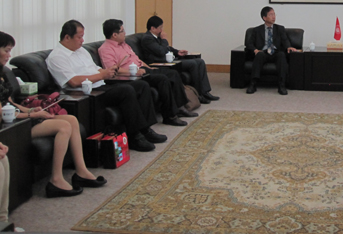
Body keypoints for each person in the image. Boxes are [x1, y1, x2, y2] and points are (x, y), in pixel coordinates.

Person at [0, 31, 106, 199]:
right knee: (63, 126)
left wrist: (31, 111)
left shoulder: (3, 73)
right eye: (6, 50)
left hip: (20, 118)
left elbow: (11, 103)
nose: (9, 55)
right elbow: (2, 112)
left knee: (72, 120)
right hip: (12, 126)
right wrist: (31, 116)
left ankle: (81, 171)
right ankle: (56, 180)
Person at [46, 20, 166, 153]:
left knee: (141, 85)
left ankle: (146, 130)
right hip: (88, 93)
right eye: (79, 37)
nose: (82, 40)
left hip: (102, 84)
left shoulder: (81, 51)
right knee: (126, 90)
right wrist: (102, 75)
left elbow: (95, 68)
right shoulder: (57, 57)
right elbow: (73, 81)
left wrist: (107, 72)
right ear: (67, 37)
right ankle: (134, 137)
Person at [98, 19, 196, 127]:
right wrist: (135, 72)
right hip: (132, 75)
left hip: (143, 69)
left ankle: (180, 107)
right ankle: (170, 116)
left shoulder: (124, 44)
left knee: (172, 73)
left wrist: (149, 67)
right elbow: (112, 70)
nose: (125, 33)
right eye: (122, 31)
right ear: (114, 35)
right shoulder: (105, 49)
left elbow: (136, 59)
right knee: (162, 79)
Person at [142, 16, 218, 105]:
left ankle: (205, 92)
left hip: (169, 60)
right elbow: (161, 51)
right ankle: (198, 94)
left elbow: (167, 48)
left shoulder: (156, 36)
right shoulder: (147, 38)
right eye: (160, 28)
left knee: (200, 61)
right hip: (161, 63)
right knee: (192, 63)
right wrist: (164, 39)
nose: (162, 30)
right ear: (152, 28)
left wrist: (177, 52)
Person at [245, 6, 297, 95]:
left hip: (276, 52)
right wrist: (255, 50)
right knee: (259, 55)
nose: (274, 17)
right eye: (271, 15)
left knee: (281, 55)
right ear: (264, 18)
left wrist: (289, 47)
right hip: (263, 52)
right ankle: (253, 84)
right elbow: (249, 44)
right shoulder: (257, 30)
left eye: (274, 14)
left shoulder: (280, 28)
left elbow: (285, 40)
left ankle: (281, 85)